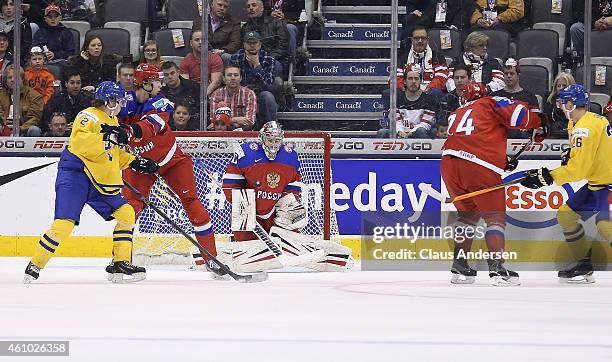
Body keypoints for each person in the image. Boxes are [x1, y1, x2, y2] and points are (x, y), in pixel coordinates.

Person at [23, 81, 158, 284]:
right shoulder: (89, 115)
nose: (121, 104)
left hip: (98, 179)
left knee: (126, 213)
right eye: (118, 100)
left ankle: (120, 262)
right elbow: (80, 143)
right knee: (63, 225)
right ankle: (35, 264)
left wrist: (135, 161)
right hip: (76, 174)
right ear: (109, 101)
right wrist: (108, 137)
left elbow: (111, 155)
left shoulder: (112, 122)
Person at [117, 63, 225, 279]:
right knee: (128, 210)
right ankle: (120, 260)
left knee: (192, 203)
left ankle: (211, 258)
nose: (161, 84)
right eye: (157, 80)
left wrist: (126, 132)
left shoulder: (163, 102)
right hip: (139, 164)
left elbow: (149, 128)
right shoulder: (121, 102)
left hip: (171, 160)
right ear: (145, 83)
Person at [441, 82, 542, 286]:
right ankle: (497, 267)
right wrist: (539, 121)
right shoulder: (490, 102)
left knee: (467, 215)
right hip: (476, 166)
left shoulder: (457, 112)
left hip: (448, 164)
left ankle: (460, 266)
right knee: (494, 217)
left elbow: (473, 138)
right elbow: (521, 116)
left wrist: (501, 160)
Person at [219, 121, 353, 273]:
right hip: (250, 208)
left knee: (294, 209)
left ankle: (301, 249)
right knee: (240, 204)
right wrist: (244, 204)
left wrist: (284, 207)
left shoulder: (290, 157)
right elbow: (231, 183)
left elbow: (293, 189)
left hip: (275, 209)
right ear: (261, 138)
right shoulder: (246, 153)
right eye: (270, 139)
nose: (273, 144)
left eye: (277, 140)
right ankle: (239, 245)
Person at [520, 84, 612, 283]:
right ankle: (584, 265)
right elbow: (594, 151)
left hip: (608, 184)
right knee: (566, 214)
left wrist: (547, 177)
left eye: (564, 102)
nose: (560, 106)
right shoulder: (590, 120)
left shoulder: (583, 130)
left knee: (604, 224)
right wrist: (571, 154)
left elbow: (578, 170)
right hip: (598, 182)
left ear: (572, 103)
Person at [229, 31, 278, 126]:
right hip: (240, 91)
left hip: (260, 92)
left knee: (267, 96)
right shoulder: (236, 57)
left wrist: (257, 65)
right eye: (249, 43)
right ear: (244, 44)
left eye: (254, 43)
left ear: (260, 44)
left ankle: (271, 127)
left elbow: (269, 85)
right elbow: (231, 78)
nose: (252, 46)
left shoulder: (268, 59)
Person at [378, 67, 438, 139]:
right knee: (382, 132)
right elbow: (396, 121)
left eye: (416, 79)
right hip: (400, 133)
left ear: (420, 81)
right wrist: (400, 132)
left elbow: (426, 123)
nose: (413, 81)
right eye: (410, 78)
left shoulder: (429, 99)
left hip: (418, 133)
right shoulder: (397, 98)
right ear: (405, 82)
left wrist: (411, 132)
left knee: (421, 131)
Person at [491, 58, 540, 139]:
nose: (509, 76)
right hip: (499, 138)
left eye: (512, 73)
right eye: (506, 73)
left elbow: (535, 120)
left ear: (518, 75)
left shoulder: (530, 97)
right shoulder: (494, 97)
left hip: (522, 139)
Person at [242, 0, 290, 74]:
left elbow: (283, 46)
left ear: (262, 8)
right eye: (248, 6)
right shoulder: (245, 28)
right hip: (251, 59)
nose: (251, 8)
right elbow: (243, 47)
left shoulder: (276, 22)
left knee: (275, 66)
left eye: (254, 5)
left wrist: (264, 58)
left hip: (274, 59)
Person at [209, 65, 257, 130]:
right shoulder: (216, 95)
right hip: (222, 132)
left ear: (241, 78)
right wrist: (237, 120)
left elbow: (250, 121)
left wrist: (226, 120)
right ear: (223, 78)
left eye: (236, 75)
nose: (232, 78)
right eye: (229, 75)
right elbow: (214, 122)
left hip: (243, 132)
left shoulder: (249, 94)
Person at [0, 64, 43, 136]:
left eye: (16, 77)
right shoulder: (1, 95)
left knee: (34, 130)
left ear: (22, 79)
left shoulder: (35, 96)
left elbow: (34, 119)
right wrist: (4, 126)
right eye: (9, 78)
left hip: (24, 130)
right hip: (4, 129)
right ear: (6, 80)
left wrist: (19, 129)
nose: (12, 80)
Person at [179, 30, 224, 96]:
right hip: (193, 94)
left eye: (203, 40)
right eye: (197, 40)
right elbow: (186, 84)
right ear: (191, 43)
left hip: (212, 94)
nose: (200, 42)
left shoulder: (215, 58)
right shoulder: (185, 61)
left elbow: (216, 82)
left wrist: (203, 96)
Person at [543, 72, 576, 139]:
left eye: (564, 85)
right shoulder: (550, 102)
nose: (561, 88)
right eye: (559, 86)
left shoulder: (577, 103)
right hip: (553, 136)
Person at [0, 0, 32, 65]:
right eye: (5, 5)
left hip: (16, 60)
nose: (8, 7)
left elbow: (26, 45)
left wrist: (12, 56)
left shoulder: (24, 24)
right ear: (1, 7)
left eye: (11, 4)